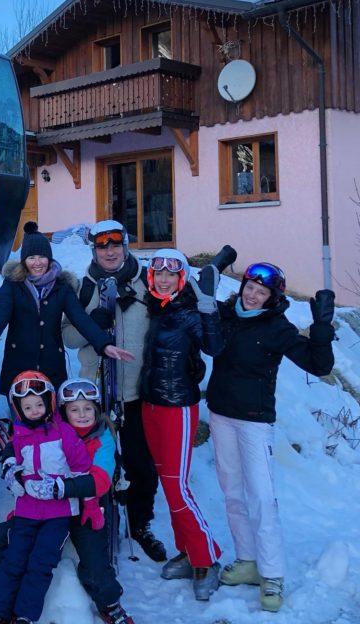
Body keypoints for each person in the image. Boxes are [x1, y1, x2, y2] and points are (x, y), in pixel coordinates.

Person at [0, 377, 134, 624]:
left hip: (83, 505)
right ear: (62, 410)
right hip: (43, 506)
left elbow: (98, 481)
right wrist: (11, 466)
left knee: (93, 555)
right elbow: (18, 443)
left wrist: (59, 488)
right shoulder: (49, 427)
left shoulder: (102, 438)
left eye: (88, 408)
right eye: (74, 409)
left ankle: (110, 605)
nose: (82, 415)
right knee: (4, 537)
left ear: (97, 410)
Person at [207, 263, 335, 613]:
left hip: (254, 422)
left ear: (271, 298)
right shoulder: (226, 314)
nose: (251, 295)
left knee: (262, 497)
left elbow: (318, 365)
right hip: (220, 415)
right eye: (249, 287)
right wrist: (212, 270)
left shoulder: (276, 327)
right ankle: (247, 561)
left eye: (260, 292)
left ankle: (272, 574)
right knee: (232, 492)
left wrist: (322, 326)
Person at [62, 220, 166, 562]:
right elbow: (68, 337)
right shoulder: (84, 288)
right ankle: (94, 521)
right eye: (102, 246)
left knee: (141, 464)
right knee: (95, 463)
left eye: (115, 245)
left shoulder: (148, 282)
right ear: (93, 250)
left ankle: (141, 524)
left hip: (136, 390)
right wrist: (96, 322)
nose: (110, 252)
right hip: (95, 397)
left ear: (125, 246)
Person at [139, 249, 225, 602]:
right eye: (158, 274)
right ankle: (187, 551)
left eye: (170, 275)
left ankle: (207, 557)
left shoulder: (190, 312)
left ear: (181, 278)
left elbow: (214, 346)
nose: (163, 279)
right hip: (150, 405)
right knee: (167, 484)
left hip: (178, 408)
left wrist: (208, 307)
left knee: (178, 487)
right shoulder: (155, 307)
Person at [0, 222, 134, 395]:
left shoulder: (62, 287)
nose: (37, 263)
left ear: (49, 258)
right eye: (31, 258)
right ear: (24, 261)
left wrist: (103, 344)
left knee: (53, 420)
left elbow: (80, 319)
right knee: (21, 418)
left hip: (51, 366)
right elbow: (0, 313)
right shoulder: (12, 286)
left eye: (42, 257)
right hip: (19, 366)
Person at [0, 371, 92, 624]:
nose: (33, 411)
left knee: (40, 564)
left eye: (39, 404)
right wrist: (13, 476)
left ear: (50, 403)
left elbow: (81, 468)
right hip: (27, 511)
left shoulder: (64, 433)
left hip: (58, 514)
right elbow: (11, 462)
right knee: (13, 559)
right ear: (18, 409)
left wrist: (60, 486)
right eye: (27, 406)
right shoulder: (19, 437)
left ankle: (25, 615)